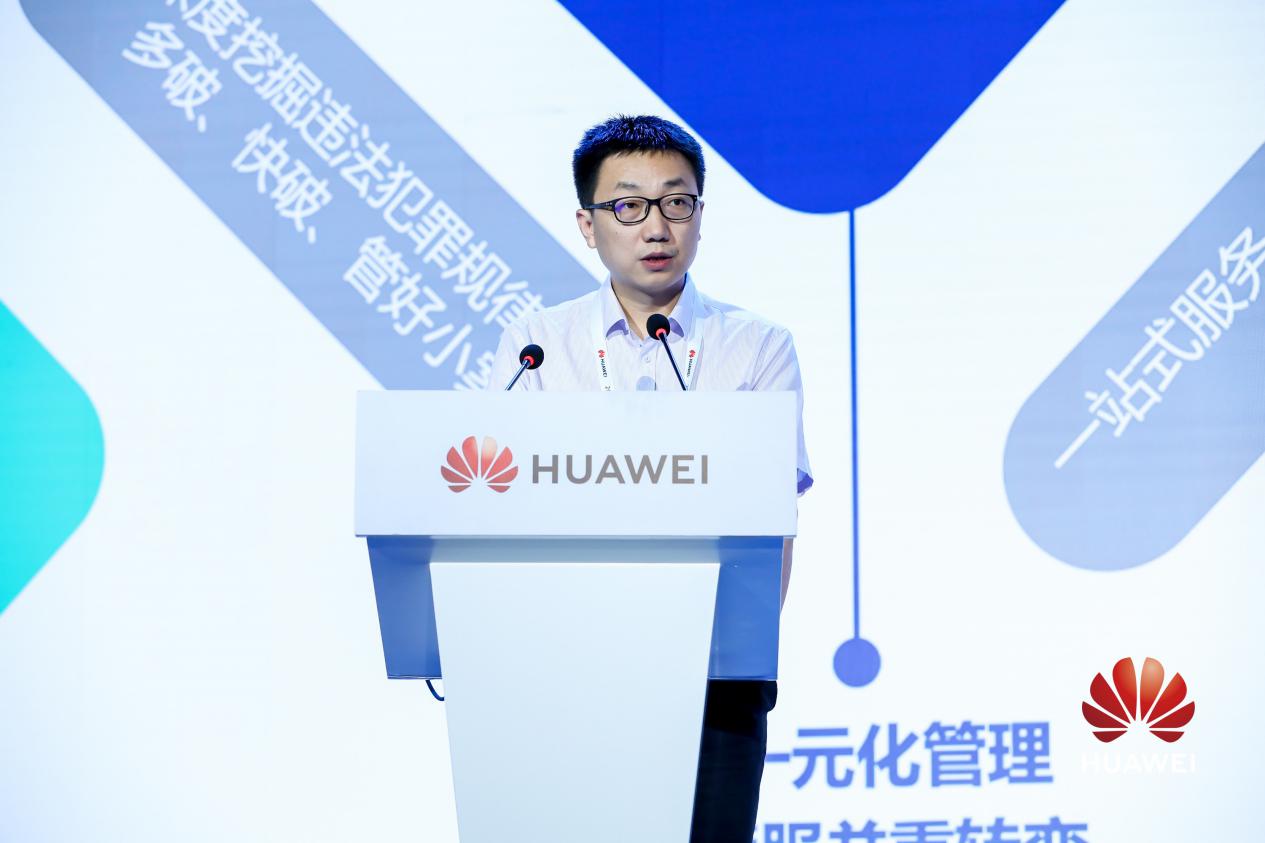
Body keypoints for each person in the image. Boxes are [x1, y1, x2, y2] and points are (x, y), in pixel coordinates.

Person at [487, 114, 812, 842]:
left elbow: (774, 518)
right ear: (588, 224)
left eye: (676, 202)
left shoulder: (756, 348)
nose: (656, 227)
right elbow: (501, 502)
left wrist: (747, 643)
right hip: (564, 667)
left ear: (699, 214)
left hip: (716, 674)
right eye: (629, 206)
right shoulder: (535, 346)